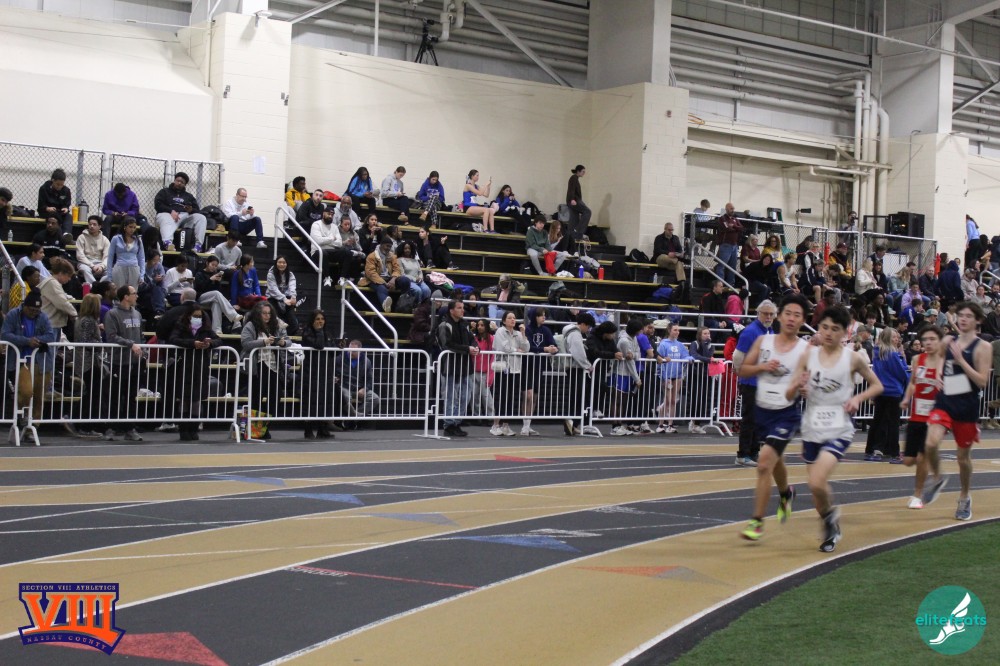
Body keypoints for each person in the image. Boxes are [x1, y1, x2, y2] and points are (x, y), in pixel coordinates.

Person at [786, 305, 883, 552]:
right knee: (816, 490)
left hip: (839, 427)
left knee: (818, 480)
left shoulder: (853, 358)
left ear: (844, 332)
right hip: (812, 427)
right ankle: (830, 521)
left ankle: (830, 521)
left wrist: (858, 398)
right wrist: (799, 387)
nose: (828, 333)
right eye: (825, 327)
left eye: (835, 329)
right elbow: (789, 392)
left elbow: (877, 385)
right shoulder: (808, 356)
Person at [736, 293, 811, 541]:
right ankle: (786, 492)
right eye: (787, 313)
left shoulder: (805, 349)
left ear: (802, 320)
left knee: (764, 463)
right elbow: (743, 369)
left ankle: (756, 522)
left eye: (797, 315)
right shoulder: (763, 341)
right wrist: (762, 367)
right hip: (763, 410)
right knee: (775, 459)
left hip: (786, 413)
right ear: (779, 316)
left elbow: (812, 379)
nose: (791, 318)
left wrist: (805, 386)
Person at [922, 301, 991, 520]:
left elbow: (982, 381)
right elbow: (939, 358)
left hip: (967, 405)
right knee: (930, 443)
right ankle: (937, 477)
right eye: (961, 315)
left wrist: (962, 361)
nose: (963, 319)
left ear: (978, 320)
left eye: (969, 316)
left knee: (963, 458)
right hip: (945, 400)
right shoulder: (948, 341)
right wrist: (939, 375)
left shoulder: (983, 347)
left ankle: (964, 496)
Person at [900, 325, 944, 509]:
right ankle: (937, 473)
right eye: (925, 339)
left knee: (921, 457)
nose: (928, 343)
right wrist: (906, 398)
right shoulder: (918, 359)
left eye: (932, 339)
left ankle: (917, 495)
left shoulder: (944, 362)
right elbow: (913, 383)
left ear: (940, 341)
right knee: (908, 460)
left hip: (935, 417)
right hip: (917, 415)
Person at [731, 300, 777, 466]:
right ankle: (743, 454)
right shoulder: (750, 332)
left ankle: (754, 452)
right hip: (751, 382)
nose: (769, 317)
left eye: (771, 314)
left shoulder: (770, 331)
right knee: (749, 419)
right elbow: (738, 356)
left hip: (763, 382)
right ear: (758, 314)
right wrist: (741, 373)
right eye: (766, 314)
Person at [167, 303, 221, 441]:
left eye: (200, 316)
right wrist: (192, 343)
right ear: (189, 316)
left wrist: (210, 343)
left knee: (197, 399)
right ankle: (183, 429)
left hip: (200, 367)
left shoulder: (206, 328)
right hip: (184, 366)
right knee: (184, 398)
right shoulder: (180, 326)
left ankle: (194, 428)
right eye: (195, 316)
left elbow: (219, 340)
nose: (198, 318)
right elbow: (173, 339)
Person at [2, 290, 58, 422]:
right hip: (21, 361)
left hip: (41, 361)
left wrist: (36, 340)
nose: (34, 313)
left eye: (37, 310)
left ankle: (33, 426)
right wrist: (27, 341)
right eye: (32, 310)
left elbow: (51, 336)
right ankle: (22, 414)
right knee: (26, 392)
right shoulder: (13, 315)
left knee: (39, 396)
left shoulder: (43, 317)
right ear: (25, 306)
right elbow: (5, 334)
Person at [103, 285, 147, 442]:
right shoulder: (112, 314)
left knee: (132, 396)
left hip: (134, 361)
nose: (137, 296)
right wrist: (130, 344)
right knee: (115, 396)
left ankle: (130, 428)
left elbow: (140, 335)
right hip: (118, 361)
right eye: (134, 293)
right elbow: (111, 336)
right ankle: (111, 427)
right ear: (126, 297)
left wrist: (143, 349)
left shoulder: (137, 313)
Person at [241, 300, 290, 437]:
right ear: (258, 314)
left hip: (274, 367)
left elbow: (289, 341)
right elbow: (245, 343)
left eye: (269, 313)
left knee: (275, 397)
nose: (267, 316)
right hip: (257, 366)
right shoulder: (250, 325)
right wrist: (264, 342)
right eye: (264, 313)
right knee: (256, 398)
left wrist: (283, 342)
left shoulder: (277, 325)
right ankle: (253, 430)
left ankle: (264, 427)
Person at [864, 327, 909, 462]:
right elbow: (901, 372)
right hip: (893, 390)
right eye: (894, 337)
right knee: (893, 423)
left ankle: (873, 449)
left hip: (880, 390)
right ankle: (894, 452)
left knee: (878, 421)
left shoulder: (877, 352)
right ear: (888, 338)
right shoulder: (893, 354)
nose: (897, 339)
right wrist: (904, 362)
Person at [437, 300, 476, 437]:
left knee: (466, 396)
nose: (462, 310)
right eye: (459, 308)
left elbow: (472, 338)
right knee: (450, 396)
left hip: (465, 366)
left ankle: (457, 422)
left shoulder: (464, 324)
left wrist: (475, 347)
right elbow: (446, 344)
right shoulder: (444, 325)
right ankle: (449, 424)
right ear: (451, 310)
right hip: (450, 366)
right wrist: (467, 349)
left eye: (463, 307)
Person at [300, 310, 338, 439]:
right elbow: (319, 345)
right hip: (311, 371)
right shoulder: (307, 333)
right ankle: (308, 430)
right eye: (317, 319)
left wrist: (339, 346)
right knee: (310, 401)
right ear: (312, 321)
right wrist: (319, 332)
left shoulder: (328, 333)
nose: (320, 321)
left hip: (325, 372)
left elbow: (333, 352)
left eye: (322, 319)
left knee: (325, 400)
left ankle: (323, 429)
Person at [491, 311, 529, 436]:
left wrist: (523, 333)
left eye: (514, 317)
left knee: (510, 398)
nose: (513, 320)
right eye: (509, 318)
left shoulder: (518, 333)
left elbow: (526, 348)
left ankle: (506, 425)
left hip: (515, 369)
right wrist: (516, 350)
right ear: (504, 321)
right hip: (503, 368)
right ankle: (495, 425)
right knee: (501, 396)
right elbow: (504, 348)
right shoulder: (500, 331)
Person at [72, 294, 105, 436]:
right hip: (89, 361)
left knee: (88, 393)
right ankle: (85, 425)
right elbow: (86, 341)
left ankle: (81, 422)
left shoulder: (80, 320)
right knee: (92, 394)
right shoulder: (89, 321)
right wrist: (101, 343)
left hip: (83, 360)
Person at [524, 307, 559, 436]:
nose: (543, 317)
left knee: (534, 396)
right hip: (527, 365)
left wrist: (554, 349)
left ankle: (528, 424)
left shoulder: (546, 330)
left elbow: (553, 344)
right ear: (534, 317)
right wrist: (545, 349)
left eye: (544, 315)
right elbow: (528, 347)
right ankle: (524, 424)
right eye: (540, 315)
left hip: (540, 366)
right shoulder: (528, 329)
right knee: (528, 395)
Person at [154, 172, 207, 253]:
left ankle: (198, 246)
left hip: (184, 217)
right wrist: (170, 211)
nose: (179, 183)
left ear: (185, 185)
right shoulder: (164, 192)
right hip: (167, 215)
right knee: (165, 218)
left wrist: (191, 210)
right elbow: (158, 205)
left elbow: (197, 210)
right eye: (178, 180)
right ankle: (168, 243)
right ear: (174, 181)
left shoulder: (189, 196)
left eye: (182, 182)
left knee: (201, 218)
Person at [608, 318, 643, 436]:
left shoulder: (634, 338)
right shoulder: (624, 341)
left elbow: (637, 354)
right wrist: (637, 378)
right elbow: (629, 361)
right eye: (639, 330)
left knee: (623, 400)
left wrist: (633, 355)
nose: (641, 331)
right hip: (619, 372)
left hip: (627, 374)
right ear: (635, 330)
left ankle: (619, 424)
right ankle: (614, 426)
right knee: (617, 399)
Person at [194, 255, 243, 335]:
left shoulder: (215, 274)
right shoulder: (199, 273)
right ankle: (233, 315)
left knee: (216, 303)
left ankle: (216, 329)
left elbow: (218, 290)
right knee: (216, 294)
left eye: (216, 266)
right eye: (212, 264)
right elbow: (200, 288)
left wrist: (217, 282)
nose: (214, 267)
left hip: (212, 298)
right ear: (207, 263)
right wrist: (210, 280)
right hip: (201, 298)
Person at [655, 323, 689, 433]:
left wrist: (690, 358)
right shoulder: (663, 344)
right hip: (667, 375)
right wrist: (664, 376)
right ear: (669, 330)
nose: (677, 332)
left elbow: (685, 355)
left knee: (674, 400)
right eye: (675, 330)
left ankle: (670, 424)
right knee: (667, 399)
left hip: (677, 375)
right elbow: (659, 360)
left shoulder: (680, 345)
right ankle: (660, 424)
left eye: (678, 330)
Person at [337, 340, 381, 421]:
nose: (350, 353)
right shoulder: (340, 358)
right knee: (345, 396)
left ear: (360, 351)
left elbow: (369, 379)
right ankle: (354, 416)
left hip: (359, 388)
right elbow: (334, 372)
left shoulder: (366, 361)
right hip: (344, 386)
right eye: (349, 350)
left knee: (375, 398)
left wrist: (364, 389)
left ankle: (352, 419)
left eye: (353, 351)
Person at [363, 238, 406, 313]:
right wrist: (384, 282)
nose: (388, 248)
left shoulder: (393, 256)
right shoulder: (371, 256)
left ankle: (405, 303)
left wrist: (393, 279)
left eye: (390, 247)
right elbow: (371, 273)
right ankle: (385, 304)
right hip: (375, 279)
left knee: (405, 281)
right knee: (381, 287)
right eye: (387, 246)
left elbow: (397, 270)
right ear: (381, 245)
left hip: (390, 279)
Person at [38, 257, 77, 337]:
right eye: (68, 276)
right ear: (61, 273)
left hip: (51, 323)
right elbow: (62, 302)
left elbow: (61, 296)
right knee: (51, 345)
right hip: (50, 324)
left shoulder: (51, 282)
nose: (69, 279)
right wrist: (74, 314)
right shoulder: (52, 283)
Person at [686, 325, 714, 434]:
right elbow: (694, 355)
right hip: (694, 375)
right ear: (699, 335)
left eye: (708, 333)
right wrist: (708, 360)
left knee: (703, 399)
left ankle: (697, 424)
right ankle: (692, 421)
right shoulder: (694, 343)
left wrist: (705, 345)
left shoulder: (710, 345)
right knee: (695, 399)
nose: (707, 335)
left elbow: (708, 355)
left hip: (705, 375)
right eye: (705, 333)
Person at [266, 256, 300, 335]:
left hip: (287, 299)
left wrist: (293, 297)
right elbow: (273, 290)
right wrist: (284, 298)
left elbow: (292, 286)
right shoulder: (270, 274)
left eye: (284, 263)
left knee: (294, 324)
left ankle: (286, 337)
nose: (281, 264)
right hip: (273, 298)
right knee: (276, 320)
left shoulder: (290, 274)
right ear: (276, 263)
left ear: (287, 264)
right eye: (279, 262)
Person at [36, 168, 73, 239]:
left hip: (60, 212)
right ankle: (59, 237)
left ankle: (66, 234)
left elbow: (67, 204)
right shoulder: (44, 189)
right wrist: (47, 208)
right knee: (54, 219)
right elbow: (41, 205)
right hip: (47, 213)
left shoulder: (66, 190)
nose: (59, 186)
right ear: (53, 180)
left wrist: (66, 208)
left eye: (62, 184)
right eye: (57, 184)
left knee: (68, 216)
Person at [715, 203, 743, 285]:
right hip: (726, 245)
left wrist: (734, 226)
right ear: (726, 209)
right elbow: (727, 228)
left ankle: (731, 284)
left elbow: (741, 228)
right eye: (731, 208)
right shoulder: (722, 218)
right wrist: (736, 228)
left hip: (735, 245)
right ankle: (720, 283)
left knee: (733, 266)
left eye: (733, 208)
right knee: (722, 265)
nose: (733, 210)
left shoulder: (735, 219)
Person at [77, 216, 110, 284]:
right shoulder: (81, 237)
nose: (92, 226)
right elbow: (80, 255)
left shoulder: (105, 239)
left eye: (94, 224)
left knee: (111, 272)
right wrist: (92, 265)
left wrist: (102, 266)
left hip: (100, 263)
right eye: (90, 224)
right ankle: (94, 286)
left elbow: (107, 257)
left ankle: (100, 286)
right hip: (85, 263)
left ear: (99, 226)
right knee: (85, 269)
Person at [652, 222, 687, 286]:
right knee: (665, 256)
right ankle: (677, 260)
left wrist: (679, 254)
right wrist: (668, 253)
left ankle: (682, 282)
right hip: (661, 259)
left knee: (679, 264)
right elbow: (657, 250)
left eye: (672, 230)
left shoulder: (676, 238)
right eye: (669, 230)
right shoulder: (659, 238)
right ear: (665, 229)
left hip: (672, 261)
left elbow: (679, 249)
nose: (671, 231)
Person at [565, 164, 591, 241]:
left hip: (572, 201)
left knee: (574, 220)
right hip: (574, 200)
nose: (584, 173)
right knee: (587, 212)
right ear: (578, 171)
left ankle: (571, 237)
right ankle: (578, 231)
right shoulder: (574, 178)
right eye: (583, 171)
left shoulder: (575, 178)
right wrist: (572, 199)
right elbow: (571, 189)